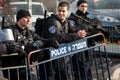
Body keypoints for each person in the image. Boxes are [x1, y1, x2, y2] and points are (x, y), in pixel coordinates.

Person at [1, 9, 59, 80]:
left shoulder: (29, 32)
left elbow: (40, 40)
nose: (29, 20)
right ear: (19, 19)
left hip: (26, 67)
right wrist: (19, 49)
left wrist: (50, 41)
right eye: (26, 18)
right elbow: (8, 44)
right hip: (12, 68)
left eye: (29, 18)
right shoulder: (10, 30)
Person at [44, 1, 86, 80]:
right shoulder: (51, 21)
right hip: (49, 59)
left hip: (62, 59)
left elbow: (74, 31)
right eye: (59, 11)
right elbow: (58, 37)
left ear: (68, 12)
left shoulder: (66, 22)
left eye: (63, 11)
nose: (61, 13)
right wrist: (76, 35)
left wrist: (80, 33)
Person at [68, 0, 109, 80]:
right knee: (80, 72)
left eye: (86, 6)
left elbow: (97, 36)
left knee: (89, 70)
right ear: (77, 7)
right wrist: (88, 30)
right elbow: (75, 31)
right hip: (78, 49)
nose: (84, 8)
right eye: (82, 6)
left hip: (89, 48)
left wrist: (98, 30)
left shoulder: (89, 20)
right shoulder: (73, 19)